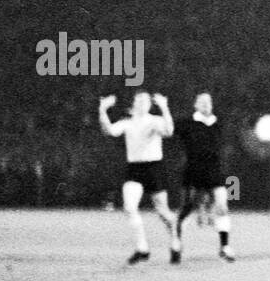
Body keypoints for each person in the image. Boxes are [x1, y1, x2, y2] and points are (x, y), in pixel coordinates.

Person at [98, 92, 179, 265]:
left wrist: (165, 107)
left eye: (145, 100)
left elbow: (169, 131)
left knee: (163, 212)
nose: (142, 103)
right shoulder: (127, 123)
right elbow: (110, 131)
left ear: (150, 104)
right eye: (138, 100)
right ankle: (142, 248)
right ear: (134, 103)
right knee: (129, 207)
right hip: (135, 169)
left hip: (154, 168)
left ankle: (175, 242)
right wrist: (103, 109)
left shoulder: (154, 120)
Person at [172, 92, 235, 262]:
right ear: (195, 105)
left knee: (222, 206)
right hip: (193, 171)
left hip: (214, 171)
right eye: (202, 101)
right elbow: (169, 131)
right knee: (187, 208)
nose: (206, 104)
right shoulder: (186, 123)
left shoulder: (218, 124)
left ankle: (225, 247)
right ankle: (176, 243)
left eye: (208, 101)